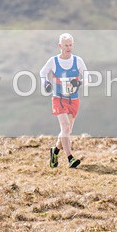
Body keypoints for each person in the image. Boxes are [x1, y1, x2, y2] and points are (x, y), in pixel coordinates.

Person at [39, 33, 88, 168]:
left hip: (73, 100)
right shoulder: (53, 61)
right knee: (65, 127)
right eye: (66, 45)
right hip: (59, 99)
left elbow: (87, 76)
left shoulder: (77, 61)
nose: (68, 47)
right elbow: (43, 73)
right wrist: (46, 83)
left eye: (70, 45)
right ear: (60, 46)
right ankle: (70, 158)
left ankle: (54, 151)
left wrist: (78, 83)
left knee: (66, 131)